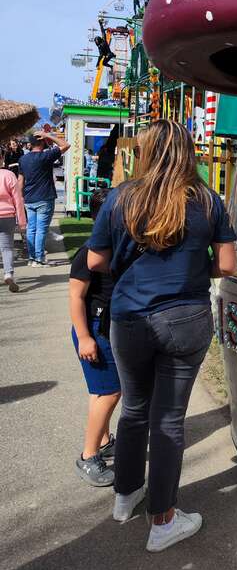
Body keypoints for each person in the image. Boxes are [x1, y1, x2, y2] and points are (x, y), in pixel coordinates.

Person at [87, 119, 237, 552]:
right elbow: (226, 264)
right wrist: (192, 266)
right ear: (189, 153)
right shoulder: (207, 201)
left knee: (133, 410)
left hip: (129, 318)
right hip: (185, 318)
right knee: (167, 420)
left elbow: (96, 260)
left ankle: (125, 495)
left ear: (145, 152)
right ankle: (163, 520)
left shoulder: (121, 198)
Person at [69, 188, 121, 487]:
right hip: (94, 330)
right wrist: (85, 337)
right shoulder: (88, 253)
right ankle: (88, 456)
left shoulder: (116, 246)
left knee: (101, 390)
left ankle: (103, 441)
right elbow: (76, 297)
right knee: (111, 391)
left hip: (107, 328)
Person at [17, 130, 70, 266]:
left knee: (31, 229)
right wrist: (48, 135)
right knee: (41, 229)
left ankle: (32, 258)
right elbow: (66, 144)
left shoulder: (23, 159)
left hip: (29, 198)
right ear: (42, 142)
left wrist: (20, 198)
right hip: (44, 198)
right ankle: (39, 258)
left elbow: (20, 182)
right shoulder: (46, 156)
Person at [0, 152, 26, 292]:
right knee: (7, 247)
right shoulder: (9, 175)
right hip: (7, 216)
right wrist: (22, 221)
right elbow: (18, 199)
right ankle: (8, 273)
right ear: (2, 159)